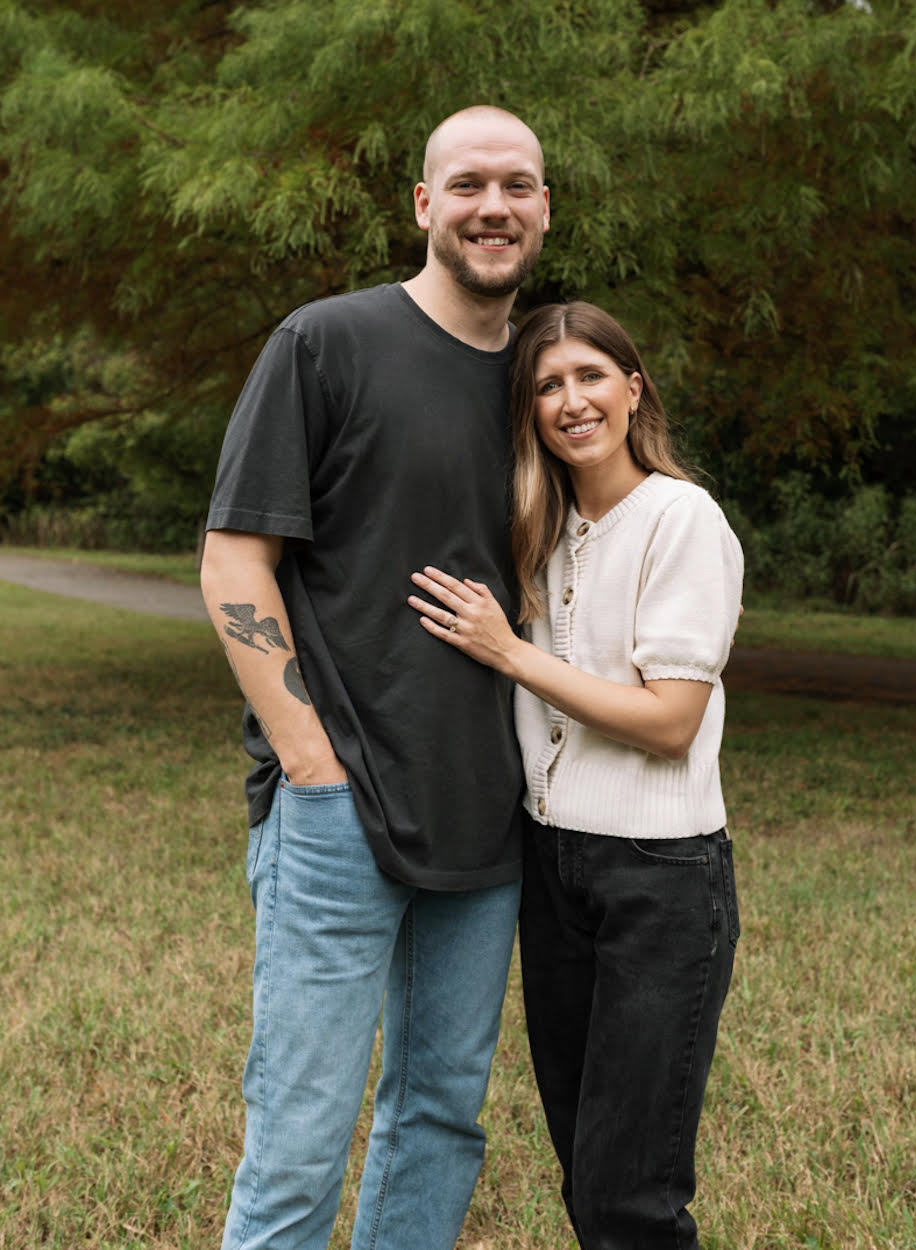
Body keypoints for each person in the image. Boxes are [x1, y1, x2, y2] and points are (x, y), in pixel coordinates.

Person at [200, 105, 550, 1250]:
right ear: (422, 203)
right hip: (336, 809)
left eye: (516, 185)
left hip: (487, 814)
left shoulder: (548, 383)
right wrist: (309, 760)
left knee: (439, 1120)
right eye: (467, 184)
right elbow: (234, 558)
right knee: (298, 1146)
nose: (492, 206)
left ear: (545, 208)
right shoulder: (326, 342)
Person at [407, 301, 744, 1250]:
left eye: (591, 376)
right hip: (552, 869)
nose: (572, 401)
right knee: (587, 1172)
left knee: (629, 1196)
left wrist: (509, 652)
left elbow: (671, 722)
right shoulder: (541, 525)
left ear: (633, 390)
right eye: (547, 386)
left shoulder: (680, 518)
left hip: (658, 878)